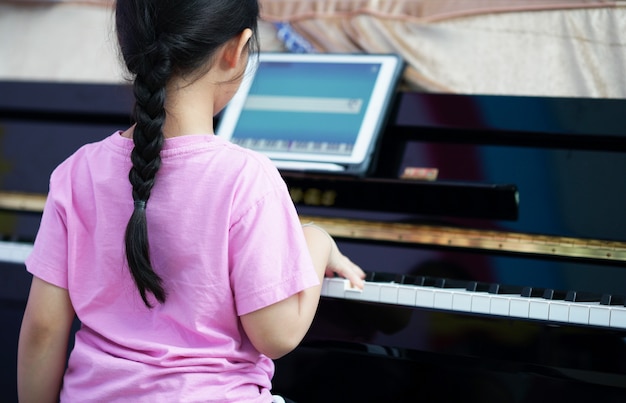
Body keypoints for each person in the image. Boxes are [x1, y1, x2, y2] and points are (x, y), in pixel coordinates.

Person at [16, 0, 366, 401]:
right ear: (237, 51)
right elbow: (277, 334)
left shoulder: (76, 172)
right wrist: (316, 241)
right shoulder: (246, 177)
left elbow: (43, 330)